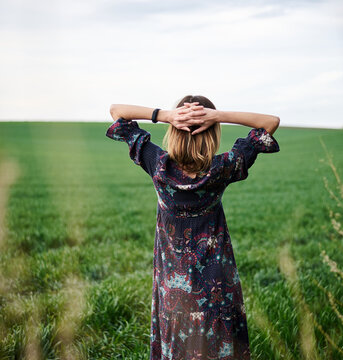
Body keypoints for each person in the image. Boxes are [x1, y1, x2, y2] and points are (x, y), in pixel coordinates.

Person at [106, 95, 280, 360]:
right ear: (212, 135)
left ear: (174, 132)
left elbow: (117, 111)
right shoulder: (223, 168)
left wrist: (165, 115)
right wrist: (216, 116)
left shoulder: (158, 165)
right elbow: (270, 123)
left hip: (172, 291)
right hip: (216, 286)